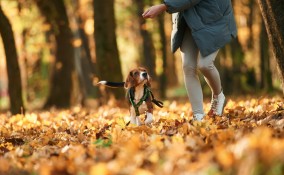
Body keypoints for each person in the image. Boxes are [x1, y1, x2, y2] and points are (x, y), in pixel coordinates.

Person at [142, 0, 237, 121]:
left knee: (205, 64)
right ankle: (198, 115)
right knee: (188, 67)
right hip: (187, 18)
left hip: (214, 19)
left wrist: (163, 6)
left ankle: (219, 95)